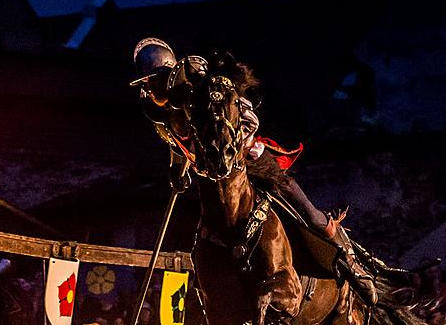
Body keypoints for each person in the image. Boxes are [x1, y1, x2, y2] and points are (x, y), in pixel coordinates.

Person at [131, 38, 380, 305]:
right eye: (144, 83)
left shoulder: (206, 93)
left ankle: (353, 268)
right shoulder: (165, 117)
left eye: (150, 81)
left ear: (166, 77)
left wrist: (233, 146)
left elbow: (248, 118)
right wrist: (178, 171)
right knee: (204, 240)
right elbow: (178, 146)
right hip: (213, 182)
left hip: (247, 163)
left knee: (305, 211)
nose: (147, 88)